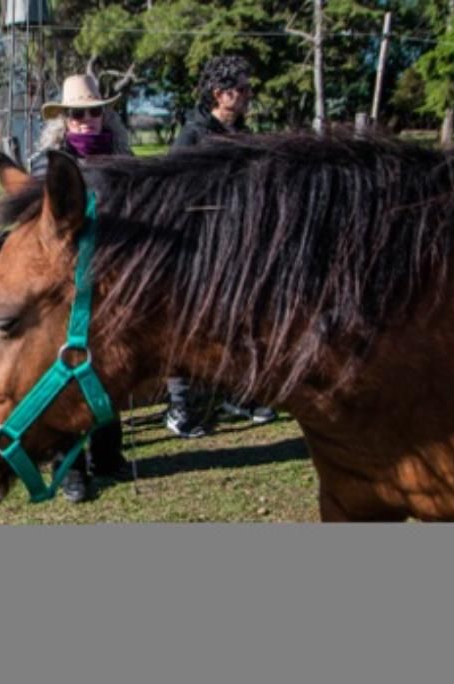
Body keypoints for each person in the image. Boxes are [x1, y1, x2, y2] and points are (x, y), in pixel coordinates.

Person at [28, 74, 132, 503]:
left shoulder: (125, 158)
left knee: (111, 365)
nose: (86, 119)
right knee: (67, 370)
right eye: (77, 113)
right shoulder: (47, 163)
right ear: (65, 119)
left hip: (113, 275)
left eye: (94, 111)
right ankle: (69, 466)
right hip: (66, 280)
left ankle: (108, 453)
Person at [164, 55, 277, 438]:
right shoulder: (192, 137)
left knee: (241, 319)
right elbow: (176, 194)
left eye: (248, 89)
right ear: (220, 94)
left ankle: (237, 392)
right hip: (197, 248)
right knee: (189, 324)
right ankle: (180, 407)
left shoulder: (245, 135)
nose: (248, 96)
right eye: (241, 89)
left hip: (240, 246)